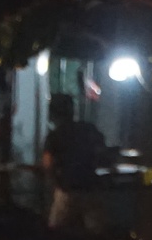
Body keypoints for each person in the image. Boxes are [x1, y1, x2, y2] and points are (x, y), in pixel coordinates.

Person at [41, 95, 109, 230]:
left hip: (67, 191)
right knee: (97, 233)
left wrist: (54, 183)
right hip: (90, 188)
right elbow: (104, 153)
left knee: (56, 232)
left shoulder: (55, 136)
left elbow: (48, 164)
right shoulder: (88, 129)